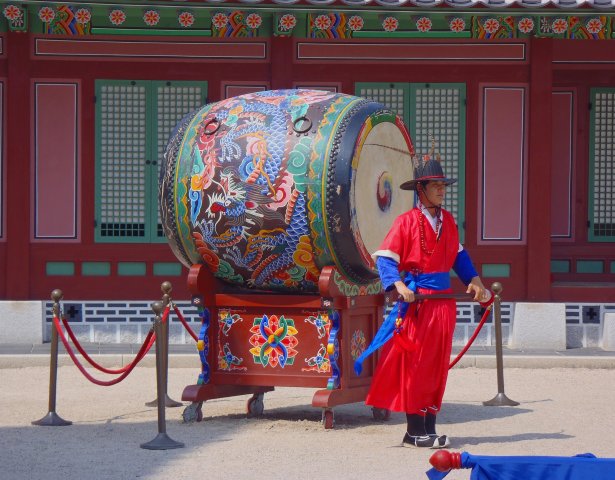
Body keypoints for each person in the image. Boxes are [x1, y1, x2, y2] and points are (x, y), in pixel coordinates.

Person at [354, 149, 492, 449]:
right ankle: (415, 429)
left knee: (436, 365)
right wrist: (398, 284)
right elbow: (386, 259)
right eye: (436, 185)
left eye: (444, 185)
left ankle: (428, 426)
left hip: (443, 303)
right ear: (421, 189)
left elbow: (460, 256)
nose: (442, 190)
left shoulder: (449, 221)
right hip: (418, 304)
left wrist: (476, 282)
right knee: (416, 365)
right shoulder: (405, 222)